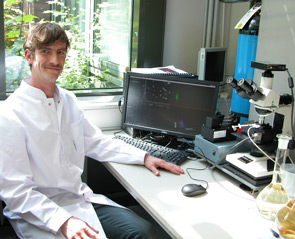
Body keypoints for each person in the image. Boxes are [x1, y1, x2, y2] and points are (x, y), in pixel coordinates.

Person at [0, 22, 184, 239]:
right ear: (29, 56)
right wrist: (64, 221)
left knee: (142, 232)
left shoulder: (68, 100)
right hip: (40, 213)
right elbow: (17, 193)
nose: (55, 60)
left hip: (78, 200)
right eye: (45, 51)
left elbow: (96, 141)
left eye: (60, 52)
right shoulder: (9, 114)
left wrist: (143, 157)